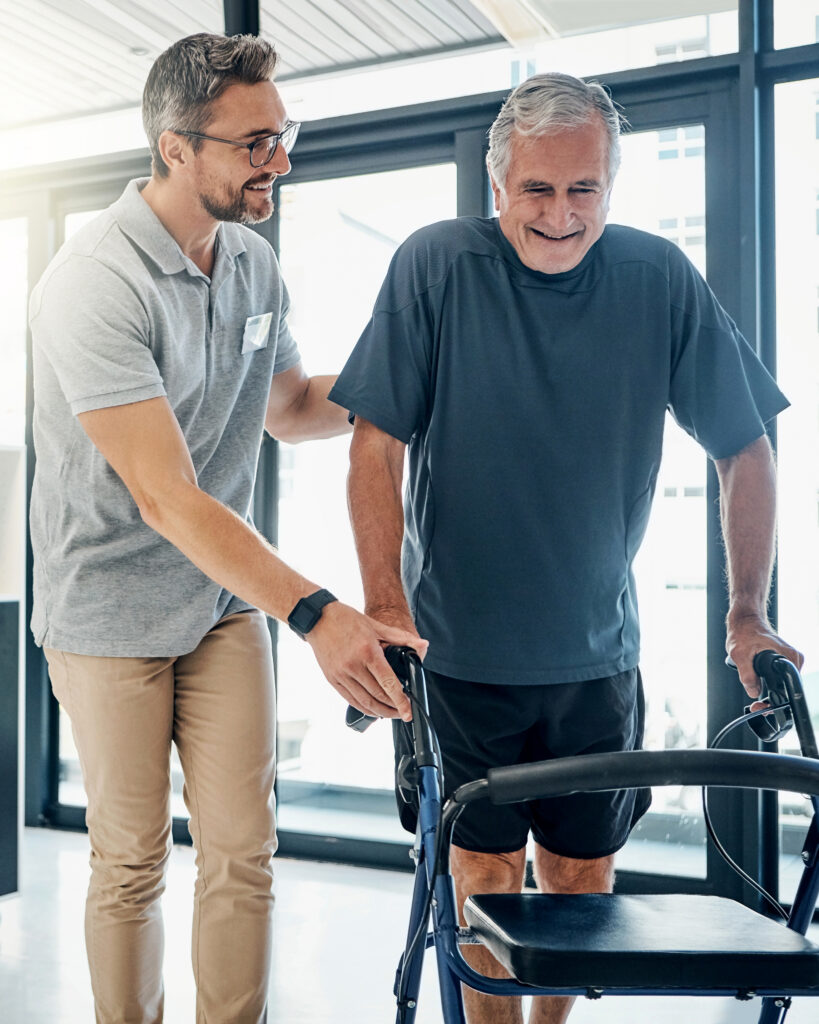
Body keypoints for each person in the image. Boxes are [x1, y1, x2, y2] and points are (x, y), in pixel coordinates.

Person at [329, 72, 803, 1024]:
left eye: (582, 188)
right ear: (497, 185)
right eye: (536, 190)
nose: (559, 213)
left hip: (595, 656)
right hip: (454, 658)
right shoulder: (435, 265)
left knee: (581, 879)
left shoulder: (656, 276)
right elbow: (373, 443)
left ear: (610, 186)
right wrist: (382, 603)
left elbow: (745, 445)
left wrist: (747, 613)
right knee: (483, 874)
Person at [28, 32, 422, 1024]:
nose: (278, 162)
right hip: (107, 611)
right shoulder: (92, 285)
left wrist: (409, 385)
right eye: (254, 144)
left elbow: (287, 406)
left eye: (282, 137)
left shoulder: (250, 263)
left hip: (216, 601)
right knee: (130, 859)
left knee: (245, 848)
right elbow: (166, 497)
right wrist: (319, 612)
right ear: (176, 149)